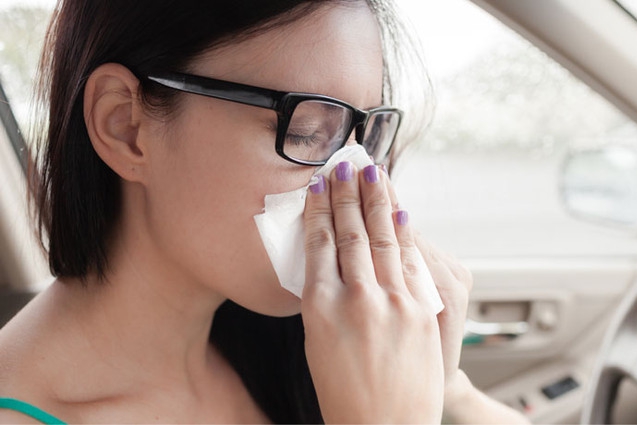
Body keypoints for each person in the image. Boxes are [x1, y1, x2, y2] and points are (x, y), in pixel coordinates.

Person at [0, 0, 529, 423]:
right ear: (126, 126)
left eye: (363, 135)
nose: (350, 174)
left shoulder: (304, 350)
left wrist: (444, 389)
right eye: (306, 131)